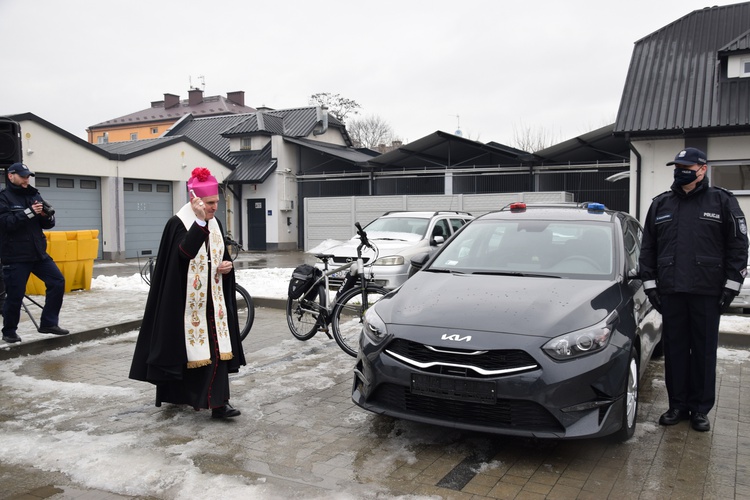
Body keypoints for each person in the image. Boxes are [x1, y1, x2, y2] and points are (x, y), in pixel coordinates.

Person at [640, 147, 748, 432]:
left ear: (703, 169)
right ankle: (677, 405)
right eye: (677, 166)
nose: (680, 170)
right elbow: (648, 249)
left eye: (687, 166)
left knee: (702, 352)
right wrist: (651, 287)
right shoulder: (661, 205)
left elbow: (738, 248)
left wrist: (730, 288)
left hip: (707, 293)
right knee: (675, 352)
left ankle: (700, 410)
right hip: (671, 292)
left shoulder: (722, 201)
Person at [129, 167, 246, 419]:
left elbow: (219, 256)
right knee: (186, 355)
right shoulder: (177, 223)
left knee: (215, 351)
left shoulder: (214, 223)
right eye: (210, 202)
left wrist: (227, 266)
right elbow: (183, 255)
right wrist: (200, 224)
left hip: (212, 301)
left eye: (216, 202)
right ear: (196, 200)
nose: (215, 207)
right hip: (184, 305)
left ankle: (218, 403)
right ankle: (187, 397)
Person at [0, 163, 68, 343]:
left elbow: (47, 225)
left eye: (28, 176)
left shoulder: (34, 194)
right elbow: (6, 224)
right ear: (10, 176)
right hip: (15, 255)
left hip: (38, 254)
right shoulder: (4, 198)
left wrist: (47, 217)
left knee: (58, 281)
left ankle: (48, 323)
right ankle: (9, 331)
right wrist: (29, 213)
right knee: (15, 294)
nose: (26, 179)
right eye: (22, 176)